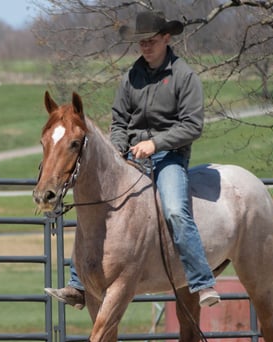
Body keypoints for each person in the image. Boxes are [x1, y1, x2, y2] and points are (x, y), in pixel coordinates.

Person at [45, 10, 220, 310]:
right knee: (93, 208)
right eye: (141, 42)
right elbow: (119, 121)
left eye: (151, 41)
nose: (145, 47)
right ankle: (78, 283)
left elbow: (192, 126)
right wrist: (117, 152)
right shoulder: (131, 77)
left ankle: (202, 281)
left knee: (175, 210)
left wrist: (155, 143)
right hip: (130, 157)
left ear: (166, 38)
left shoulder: (184, 76)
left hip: (169, 158)